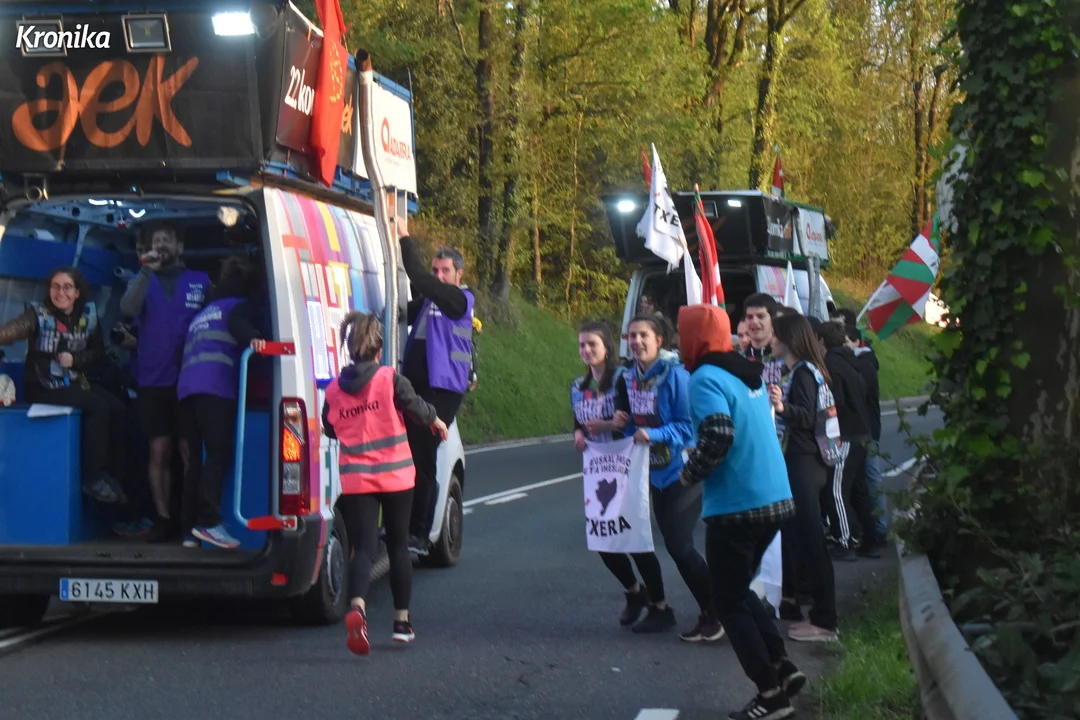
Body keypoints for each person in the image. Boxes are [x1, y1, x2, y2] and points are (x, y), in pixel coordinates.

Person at [678, 304, 803, 720]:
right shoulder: (747, 372)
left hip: (738, 504)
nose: (679, 340)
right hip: (775, 496)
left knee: (727, 601)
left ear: (694, 337)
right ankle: (781, 666)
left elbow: (718, 433)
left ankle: (770, 694)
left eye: (682, 332)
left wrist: (689, 473)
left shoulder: (704, 378)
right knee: (738, 589)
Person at [322, 312, 448, 655]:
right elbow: (417, 408)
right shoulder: (389, 378)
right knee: (397, 547)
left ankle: (358, 608)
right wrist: (436, 420)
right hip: (396, 476)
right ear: (379, 350)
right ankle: (401, 624)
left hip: (357, 479)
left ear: (351, 349)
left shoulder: (334, 390)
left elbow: (330, 428)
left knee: (363, 548)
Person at [623, 315, 719, 640]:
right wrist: (621, 425)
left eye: (643, 335)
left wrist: (653, 434)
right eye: (632, 336)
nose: (636, 341)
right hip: (653, 472)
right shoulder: (631, 377)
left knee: (680, 545)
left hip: (683, 471)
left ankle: (718, 610)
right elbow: (634, 424)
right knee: (673, 545)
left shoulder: (676, 375)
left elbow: (688, 427)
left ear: (659, 340)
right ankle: (686, 611)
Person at [571, 321, 671, 630]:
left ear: (607, 347)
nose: (586, 350)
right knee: (602, 537)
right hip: (598, 468)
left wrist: (610, 425)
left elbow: (634, 419)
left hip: (628, 463)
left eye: (593, 344)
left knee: (634, 536)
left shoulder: (623, 380)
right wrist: (578, 434)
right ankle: (634, 591)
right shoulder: (578, 385)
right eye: (582, 344)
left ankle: (660, 606)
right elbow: (577, 420)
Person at [0, 267, 128, 503]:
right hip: (42, 385)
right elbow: (11, 330)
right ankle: (92, 478)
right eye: (55, 287)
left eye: (67, 287)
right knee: (97, 406)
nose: (61, 292)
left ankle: (112, 475)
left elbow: (97, 351)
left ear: (77, 292)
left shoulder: (89, 315)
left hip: (74, 381)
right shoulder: (37, 314)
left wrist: (75, 360)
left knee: (119, 409)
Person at [120, 222, 211, 542]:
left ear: (180, 247)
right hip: (153, 380)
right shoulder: (142, 280)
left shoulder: (201, 281)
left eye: (166, 240)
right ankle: (163, 519)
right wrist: (146, 271)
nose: (160, 244)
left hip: (191, 381)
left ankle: (190, 521)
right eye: (155, 240)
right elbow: (127, 308)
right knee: (159, 451)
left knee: (189, 453)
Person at [175, 258, 266, 550]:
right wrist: (256, 339)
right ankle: (209, 521)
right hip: (214, 389)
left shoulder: (204, 312)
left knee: (194, 462)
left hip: (186, 390)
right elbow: (239, 325)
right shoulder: (239, 306)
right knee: (217, 454)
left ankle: (189, 531)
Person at [395, 216, 473, 553]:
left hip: (442, 391)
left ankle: (420, 533)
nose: (439, 276)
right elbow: (399, 311)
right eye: (436, 270)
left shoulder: (458, 300)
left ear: (459, 275)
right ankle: (409, 527)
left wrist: (404, 237)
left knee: (423, 456)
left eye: (445, 271)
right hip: (419, 387)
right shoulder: (429, 303)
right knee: (414, 455)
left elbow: (420, 279)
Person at [768, 313, 840, 643]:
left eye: (775, 334)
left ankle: (825, 621)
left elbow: (808, 416)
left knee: (812, 539)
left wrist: (782, 407)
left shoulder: (803, 373)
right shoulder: (802, 370)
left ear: (788, 338)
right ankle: (819, 615)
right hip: (805, 460)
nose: (771, 340)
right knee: (804, 537)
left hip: (804, 460)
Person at [811, 319, 872, 561]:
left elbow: (836, 403)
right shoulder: (851, 361)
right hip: (861, 431)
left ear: (821, 341)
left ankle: (844, 540)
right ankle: (860, 535)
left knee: (836, 490)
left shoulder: (830, 365)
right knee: (854, 487)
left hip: (845, 434)